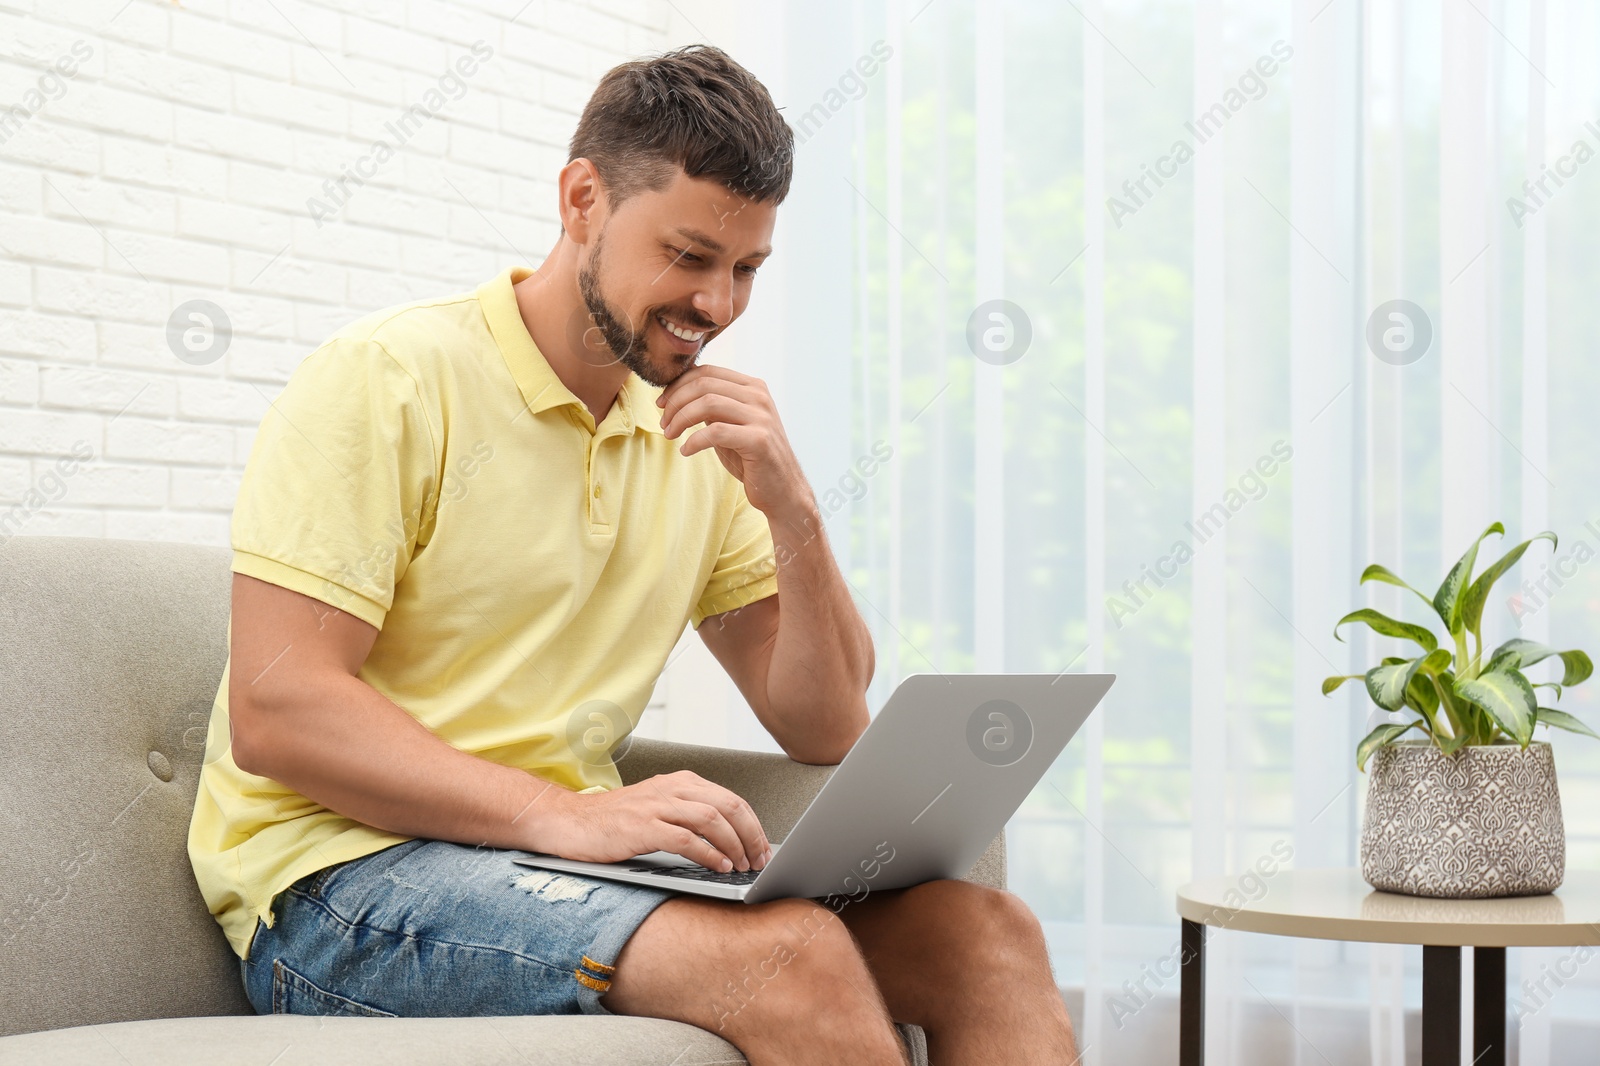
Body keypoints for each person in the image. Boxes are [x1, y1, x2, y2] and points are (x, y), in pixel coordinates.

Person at [186, 42, 1078, 1066]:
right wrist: (557, 812)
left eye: (746, 268)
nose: (719, 305)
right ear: (582, 198)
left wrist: (794, 512)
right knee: (787, 953)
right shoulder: (388, 378)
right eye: (690, 255)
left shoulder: (694, 437)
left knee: (987, 938)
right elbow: (278, 707)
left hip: (563, 870)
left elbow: (825, 722)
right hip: (336, 887)